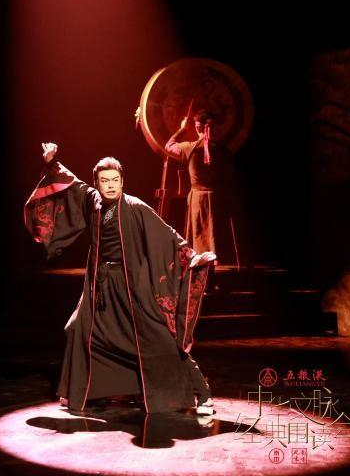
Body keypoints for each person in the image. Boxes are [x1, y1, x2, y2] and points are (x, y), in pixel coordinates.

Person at [24, 142, 216, 415]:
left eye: (115, 180)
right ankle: (77, 390)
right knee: (78, 329)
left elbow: (168, 235)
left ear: (122, 181)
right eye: (105, 180)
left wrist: (193, 257)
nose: (111, 185)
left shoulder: (135, 207)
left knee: (160, 339)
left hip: (131, 285)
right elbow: (72, 184)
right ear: (97, 183)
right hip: (100, 285)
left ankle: (202, 394)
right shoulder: (93, 201)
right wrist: (52, 162)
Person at [165, 109, 239, 264]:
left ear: (197, 127)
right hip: (219, 198)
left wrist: (182, 129)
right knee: (216, 233)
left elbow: (169, 146)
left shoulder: (189, 148)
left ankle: (202, 264)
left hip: (198, 198)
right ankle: (217, 261)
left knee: (199, 234)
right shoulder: (223, 150)